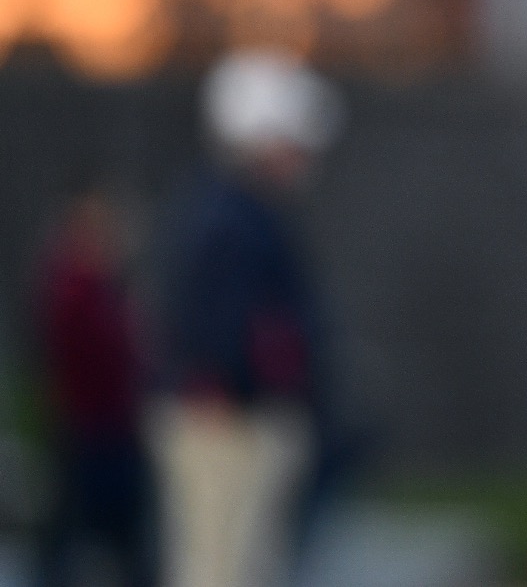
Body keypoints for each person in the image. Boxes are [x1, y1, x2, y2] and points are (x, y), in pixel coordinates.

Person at [152, 50, 340, 587]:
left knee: (239, 563)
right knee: (218, 566)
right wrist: (229, 389)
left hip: (240, 415)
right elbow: (212, 323)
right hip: (228, 422)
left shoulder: (237, 210)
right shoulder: (229, 217)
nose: (302, 156)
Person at [32, 179, 155, 587]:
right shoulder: (70, 287)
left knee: (130, 552)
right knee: (69, 549)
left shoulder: (109, 289)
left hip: (117, 432)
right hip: (84, 432)